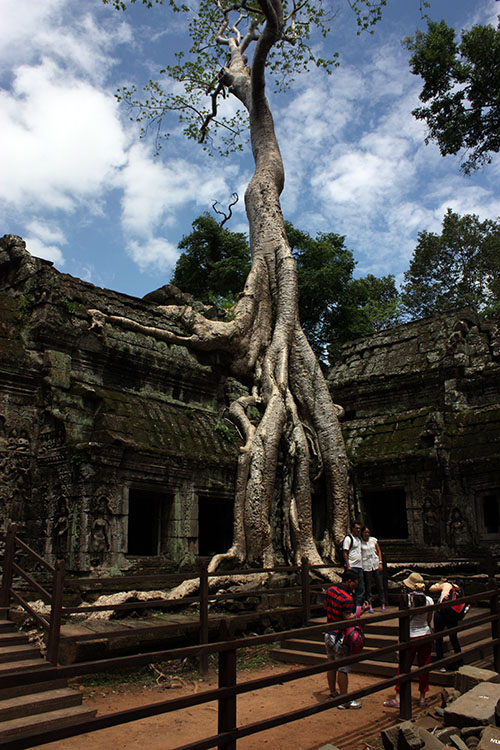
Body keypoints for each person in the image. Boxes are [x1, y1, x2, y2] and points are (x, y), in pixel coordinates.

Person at [383, 572, 433, 709]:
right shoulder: (429, 600)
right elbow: (429, 619)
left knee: (404, 667)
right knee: (424, 667)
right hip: (426, 634)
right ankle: (423, 697)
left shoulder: (407, 599)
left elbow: (403, 620)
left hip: (410, 635)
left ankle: (398, 697)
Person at [324, 570, 369, 709]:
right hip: (340, 636)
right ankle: (344, 700)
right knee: (343, 668)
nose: (356, 586)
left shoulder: (331, 590)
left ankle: (333, 693)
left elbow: (325, 606)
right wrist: (361, 612)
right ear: (349, 581)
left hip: (328, 632)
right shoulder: (347, 599)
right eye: (355, 583)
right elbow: (347, 618)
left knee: (331, 664)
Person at [429, 577, 465, 671]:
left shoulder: (447, 585)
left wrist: (440, 582)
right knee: (453, 638)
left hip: (441, 613)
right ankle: (460, 661)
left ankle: (441, 664)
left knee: (439, 638)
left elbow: (431, 589)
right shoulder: (460, 591)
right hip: (453, 615)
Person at [360, 526, 386, 613]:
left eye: (368, 532)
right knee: (368, 586)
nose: (367, 534)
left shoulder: (373, 540)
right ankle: (369, 604)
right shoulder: (360, 542)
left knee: (380, 585)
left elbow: (378, 551)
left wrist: (380, 562)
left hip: (375, 563)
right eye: (365, 532)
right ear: (362, 533)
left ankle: (382, 603)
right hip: (366, 565)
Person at [342, 520, 364, 608]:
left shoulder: (359, 539)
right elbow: (345, 552)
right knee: (350, 588)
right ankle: (348, 607)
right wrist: (348, 566)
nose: (358, 530)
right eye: (356, 528)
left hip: (359, 567)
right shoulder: (348, 539)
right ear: (352, 529)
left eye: (359, 529)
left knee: (360, 588)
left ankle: (357, 607)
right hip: (352, 566)